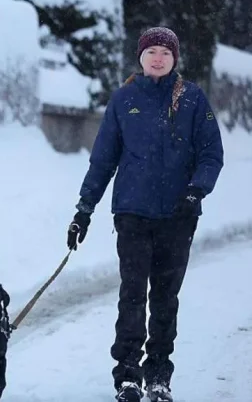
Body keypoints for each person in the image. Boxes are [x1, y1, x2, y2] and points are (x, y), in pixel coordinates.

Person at [65, 27, 224, 402]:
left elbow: (211, 154)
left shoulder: (193, 100)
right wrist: (83, 211)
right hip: (133, 213)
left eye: (165, 53)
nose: (158, 57)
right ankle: (128, 376)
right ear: (140, 56)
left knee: (166, 299)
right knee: (132, 295)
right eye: (151, 51)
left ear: (174, 59)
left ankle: (158, 376)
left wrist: (195, 190)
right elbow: (103, 160)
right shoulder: (124, 99)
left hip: (178, 215)